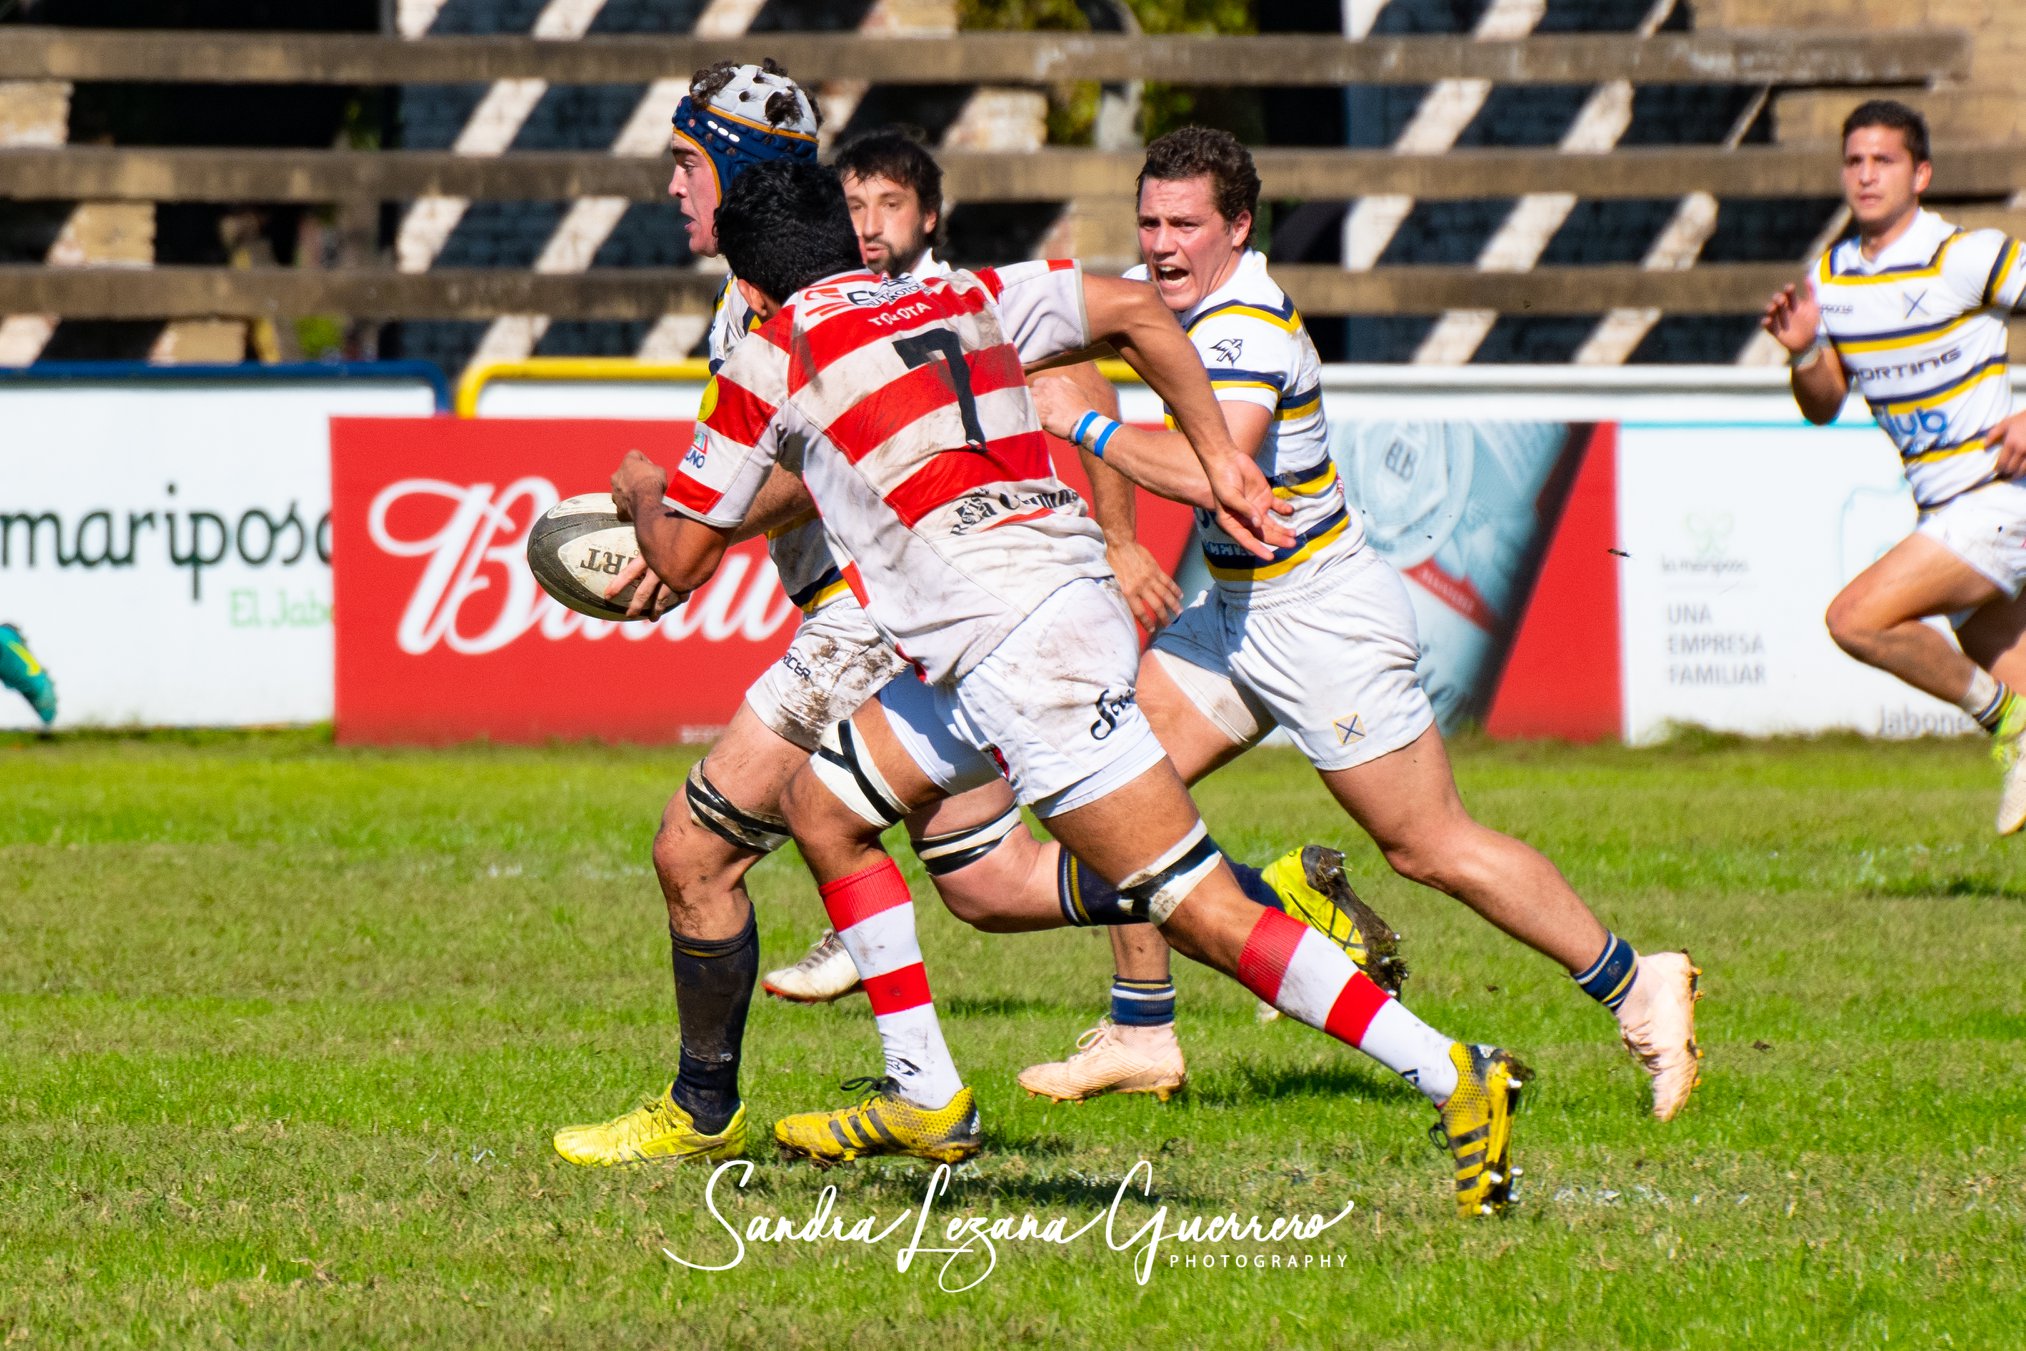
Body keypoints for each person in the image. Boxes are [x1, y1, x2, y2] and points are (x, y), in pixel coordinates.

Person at [616, 158, 1531, 1218]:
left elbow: (678, 565)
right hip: (1017, 620)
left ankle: (1452, 1069)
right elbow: (1137, 312)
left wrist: (640, 484)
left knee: (1202, 911)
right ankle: (924, 1094)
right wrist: (1216, 457)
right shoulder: (959, 290)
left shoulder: (769, 355)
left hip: (1021, 649)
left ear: (753, 278)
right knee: (824, 807)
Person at [979, 127, 1702, 1122]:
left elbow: (1214, 477)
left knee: (1430, 846)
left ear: (1238, 227)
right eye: (1147, 221)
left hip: (1319, 619)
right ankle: (1143, 1027)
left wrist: (1082, 423)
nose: (1160, 243)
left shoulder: (1244, 330)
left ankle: (1634, 979)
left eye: (1184, 223)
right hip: (1233, 614)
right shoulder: (1167, 303)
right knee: (1117, 793)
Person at [761, 127, 1403, 1021]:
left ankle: (960, 1016)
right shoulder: (841, 314)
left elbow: (1091, 387)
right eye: (854, 205)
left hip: (998, 615)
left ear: (930, 217)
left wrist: (1120, 536)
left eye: (889, 204)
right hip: (944, 611)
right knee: (993, 879)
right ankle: (1227, 939)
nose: (869, 224)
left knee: (970, 853)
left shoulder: (965, 300)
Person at [550, 60, 915, 1169]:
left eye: (686, 162)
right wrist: (689, 542)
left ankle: (704, 1106)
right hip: (892, 608)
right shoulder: (757, 293)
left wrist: (665, 514)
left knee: (693, 850)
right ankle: (1251, 895)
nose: (670, 185)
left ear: (744, 172)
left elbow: (820, 469)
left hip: (868, 615)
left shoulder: (795, 297)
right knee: (998, 882)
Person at [1762, 99, 2026, 834]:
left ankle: (2006, 720)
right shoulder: (1832, 277)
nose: (1867, 174)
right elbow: (1822, 405)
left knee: (1856, 617)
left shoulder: (1963, 254)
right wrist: (1806, 352)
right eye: (1854, 161)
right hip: (1947, 509)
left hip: (2002, 494)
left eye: (1885, 160)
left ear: (1922, 173)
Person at [0, 622, 56, 725]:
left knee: (48, 716)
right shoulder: (8, 636)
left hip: (37, 684)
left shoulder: (6, 636)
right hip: (39, 681)